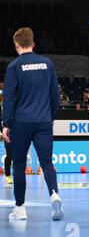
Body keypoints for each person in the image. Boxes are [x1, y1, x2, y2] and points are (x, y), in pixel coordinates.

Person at [2, 27, 63, 221]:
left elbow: (9, 98)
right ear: (33, 44)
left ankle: (20, 209)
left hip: (21, 123)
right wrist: (50, 116)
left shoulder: (14, 67)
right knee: (46, 162)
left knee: (19, 165)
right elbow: (55, 95)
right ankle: (54, 195)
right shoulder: (48, 64)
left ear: (16, 45)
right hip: (44, 121)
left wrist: (6, 123)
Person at [0, 101, 12, 185]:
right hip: (7, 134)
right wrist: (2, 133)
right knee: (9, 155)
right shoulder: (2, 113)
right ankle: (8, 176)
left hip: (17, 134)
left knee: (17, 156)